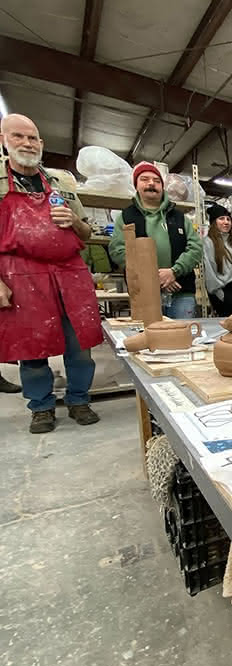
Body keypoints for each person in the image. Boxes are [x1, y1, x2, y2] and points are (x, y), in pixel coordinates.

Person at [0, 113, 102, 433]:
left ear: (41, 144)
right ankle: (41, 406)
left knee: (79, 344)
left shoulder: (62, 183)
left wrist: (73, 220)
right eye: (18, 136)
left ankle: (79, 399)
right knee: (32, 346)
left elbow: (86, 233)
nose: (26, 143)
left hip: (69, 271)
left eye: (32, 138)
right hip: (21, 272)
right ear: (4, 140)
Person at [109, 162, 202, 319]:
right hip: (144, 293)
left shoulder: (179, 217)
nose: (151, 183)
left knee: (183, 339)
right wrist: (154, 276)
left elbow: (196, 248)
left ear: (162, 187)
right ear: (136, 185)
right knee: (149, 339)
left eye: (157, 181)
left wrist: (174, 271)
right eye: (145, 179)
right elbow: (118, 250)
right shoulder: (126, 217)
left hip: (181, 292)